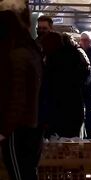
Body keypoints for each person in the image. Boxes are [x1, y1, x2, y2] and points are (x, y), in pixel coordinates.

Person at [0, 8, 43, 180]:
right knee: (27, 172)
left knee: (19, 173)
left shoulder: (16, 55)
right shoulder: (30, 50)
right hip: (30, 125)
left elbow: (17, 97)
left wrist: (5, 129)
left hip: (19, 128)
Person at [41, 32, 85, 138]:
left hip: (57, 111)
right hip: (74, 108)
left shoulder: (53, 60)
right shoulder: (76, 56)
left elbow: (49, 88)